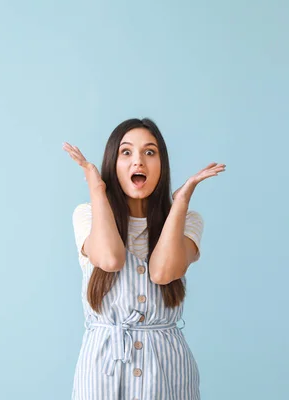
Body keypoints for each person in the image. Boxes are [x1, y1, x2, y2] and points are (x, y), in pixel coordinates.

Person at [62, 118, 225, 400]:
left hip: (167, 368)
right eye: (126, 153)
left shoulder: (187, 221)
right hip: (104, 366)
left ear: (162, 165)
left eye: (150, 152)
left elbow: (163, 273)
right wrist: (97, 188)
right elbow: (110, 258)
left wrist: (182, 200)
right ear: (112, 162)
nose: (139, 161)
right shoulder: (87, 215)